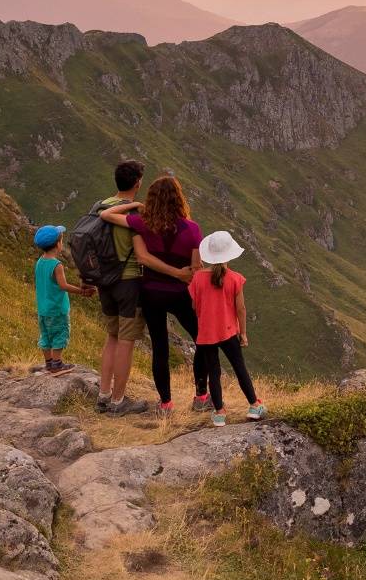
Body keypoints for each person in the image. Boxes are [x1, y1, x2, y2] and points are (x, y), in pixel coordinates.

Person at [99, 174, 208, 416]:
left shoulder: (142, 223)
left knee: (160, 347)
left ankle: (166, 403)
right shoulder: (192, 229)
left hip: (150, 292)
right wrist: (181, 275)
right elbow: (196, 268)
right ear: (179, 199)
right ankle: (201, 395)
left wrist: (135, 206)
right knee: (201, 339)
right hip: (180, 294)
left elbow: (105, 215)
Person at [189, 229, 264, 427]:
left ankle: (219, 412)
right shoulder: (235, 279)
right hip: (229, 331)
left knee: (213, 372)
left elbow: (195, 307)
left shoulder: (197, 278)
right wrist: (244, 334)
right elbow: (241, 308)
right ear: (229, 254)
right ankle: (255, 405)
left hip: (206, 333)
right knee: (240, 368)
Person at [94, 159, 151, 415]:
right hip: (127, 282)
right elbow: (141, 255)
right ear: (137, 183)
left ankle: (103, 395)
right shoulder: (132, 213)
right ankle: (119, 401)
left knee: (112, 337)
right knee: (126, 341)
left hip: (104, 282)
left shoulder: (101, 205)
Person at [32, 224, 94, 373]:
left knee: (46, 335)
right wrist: (82, 292)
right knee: (60, 334)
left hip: (43, 308)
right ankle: (57, 364)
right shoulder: (56, 265)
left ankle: (48, 363)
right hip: (57, 308)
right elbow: (63, 286)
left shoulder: (40, 261)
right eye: (61, 240)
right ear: (57, 244)